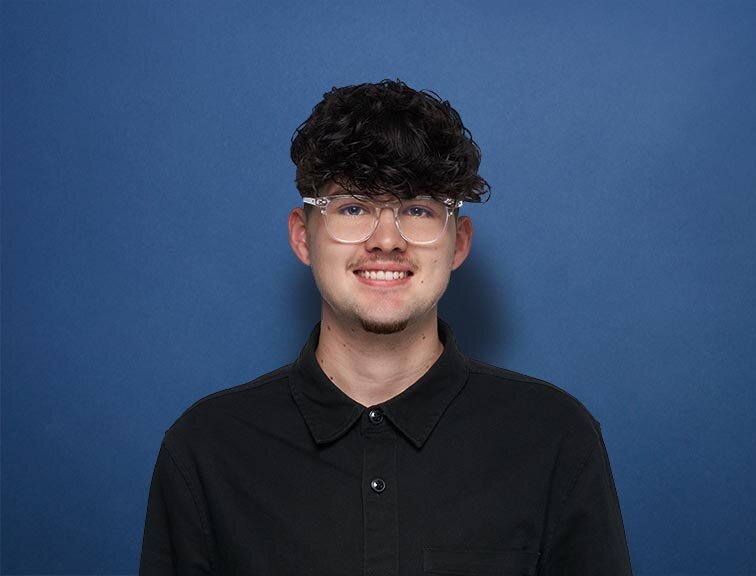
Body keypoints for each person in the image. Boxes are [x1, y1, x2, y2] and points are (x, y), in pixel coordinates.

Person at [139, 79, 633, 575]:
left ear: (459, 243)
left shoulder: (555, 439)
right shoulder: (206, 450)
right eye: (353, 207)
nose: (386, 240)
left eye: (417, 209)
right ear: (303, 237)